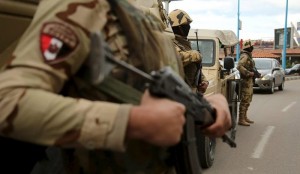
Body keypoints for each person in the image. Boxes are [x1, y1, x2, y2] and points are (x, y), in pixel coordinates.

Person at [0, 0, 231, 173]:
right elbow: (8, 102)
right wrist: (132, 121)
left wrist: (203, 104)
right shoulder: (83, 7)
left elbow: (154, 93)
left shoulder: (142, 21)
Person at [168, 9, 209, 93]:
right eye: (186, 25)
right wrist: (194, 55)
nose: (189, 27)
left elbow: (195, 68)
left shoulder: (184, 44)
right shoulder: (169, 42)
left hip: (190, 92)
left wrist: (204, 81)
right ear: (177, 27)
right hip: (177, 93)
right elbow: (174, 59)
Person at [236, 40, 256, 126]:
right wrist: (248, 73)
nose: (253, 48)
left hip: (249, 81)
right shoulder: (245, 56)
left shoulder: (248, 56)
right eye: (251, 46)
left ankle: (244, 117)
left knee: (248, 99)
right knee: (245, 100)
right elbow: (239, 66)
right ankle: (241, 119)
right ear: (248, 47)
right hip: (245, 81)